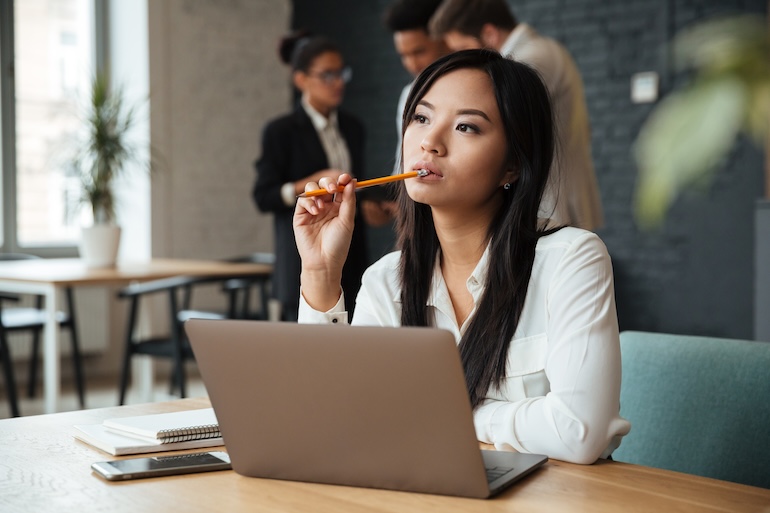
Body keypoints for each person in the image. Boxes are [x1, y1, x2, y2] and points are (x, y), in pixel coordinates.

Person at [293, 49, 630, 464]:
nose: (430, 142)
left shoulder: (571, 260)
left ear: (512, 166)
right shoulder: (385, 281)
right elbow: (337, 420)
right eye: (421, 118)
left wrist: (439, 414)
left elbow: (580, 432)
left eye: (466, 126)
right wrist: (321, 273)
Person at [430, 0, 604, 231]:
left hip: (551, 204)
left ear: (489, 34)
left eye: (463, 49)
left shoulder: (529, 61)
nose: (463, 60)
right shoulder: (543, 50)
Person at [252, 31, 368, 322]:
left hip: (351, 257)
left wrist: (370, 207)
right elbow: (263, 196)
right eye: (328, 74)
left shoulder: (354, 127)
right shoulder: (280, 131)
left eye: (341, 72)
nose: (339, 82)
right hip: (302, 259)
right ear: (301, 79)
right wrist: (309, 183)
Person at [362, 0, 451, 228]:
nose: (412, 64)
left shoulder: (481, 89)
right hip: (422, 226)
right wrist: (389, 201)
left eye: (419, 51)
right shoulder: (408, 95)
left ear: (445, 37)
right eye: (404, 55)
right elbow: (404, 165)